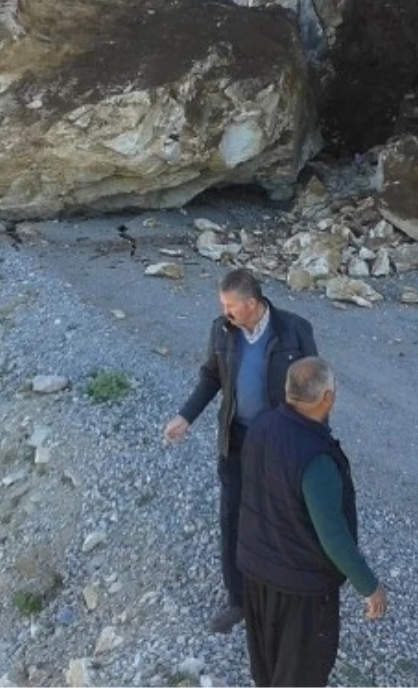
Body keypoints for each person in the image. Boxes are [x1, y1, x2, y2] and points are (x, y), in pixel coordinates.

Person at [163, 269, 317, 633]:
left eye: (230, 306)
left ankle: (282, 597)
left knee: (280, 519)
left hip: (279, 446)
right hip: (236, 440)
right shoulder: (222, 330)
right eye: (223, 305)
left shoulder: (294, 330)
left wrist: (313, 443)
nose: (225, 312)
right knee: (232, 517)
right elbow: (211, 377)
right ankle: (239, 599)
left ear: (252, 304)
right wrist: (186, 416)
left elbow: (313, 389)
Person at [237, 357, 387, 687]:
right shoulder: (315, 458)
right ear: (327, 399)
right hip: (299, 591)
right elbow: (332, 532)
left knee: (267, 668)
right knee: (300, 674)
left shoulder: (261, 426)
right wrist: (369, 586)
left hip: (256, 571)